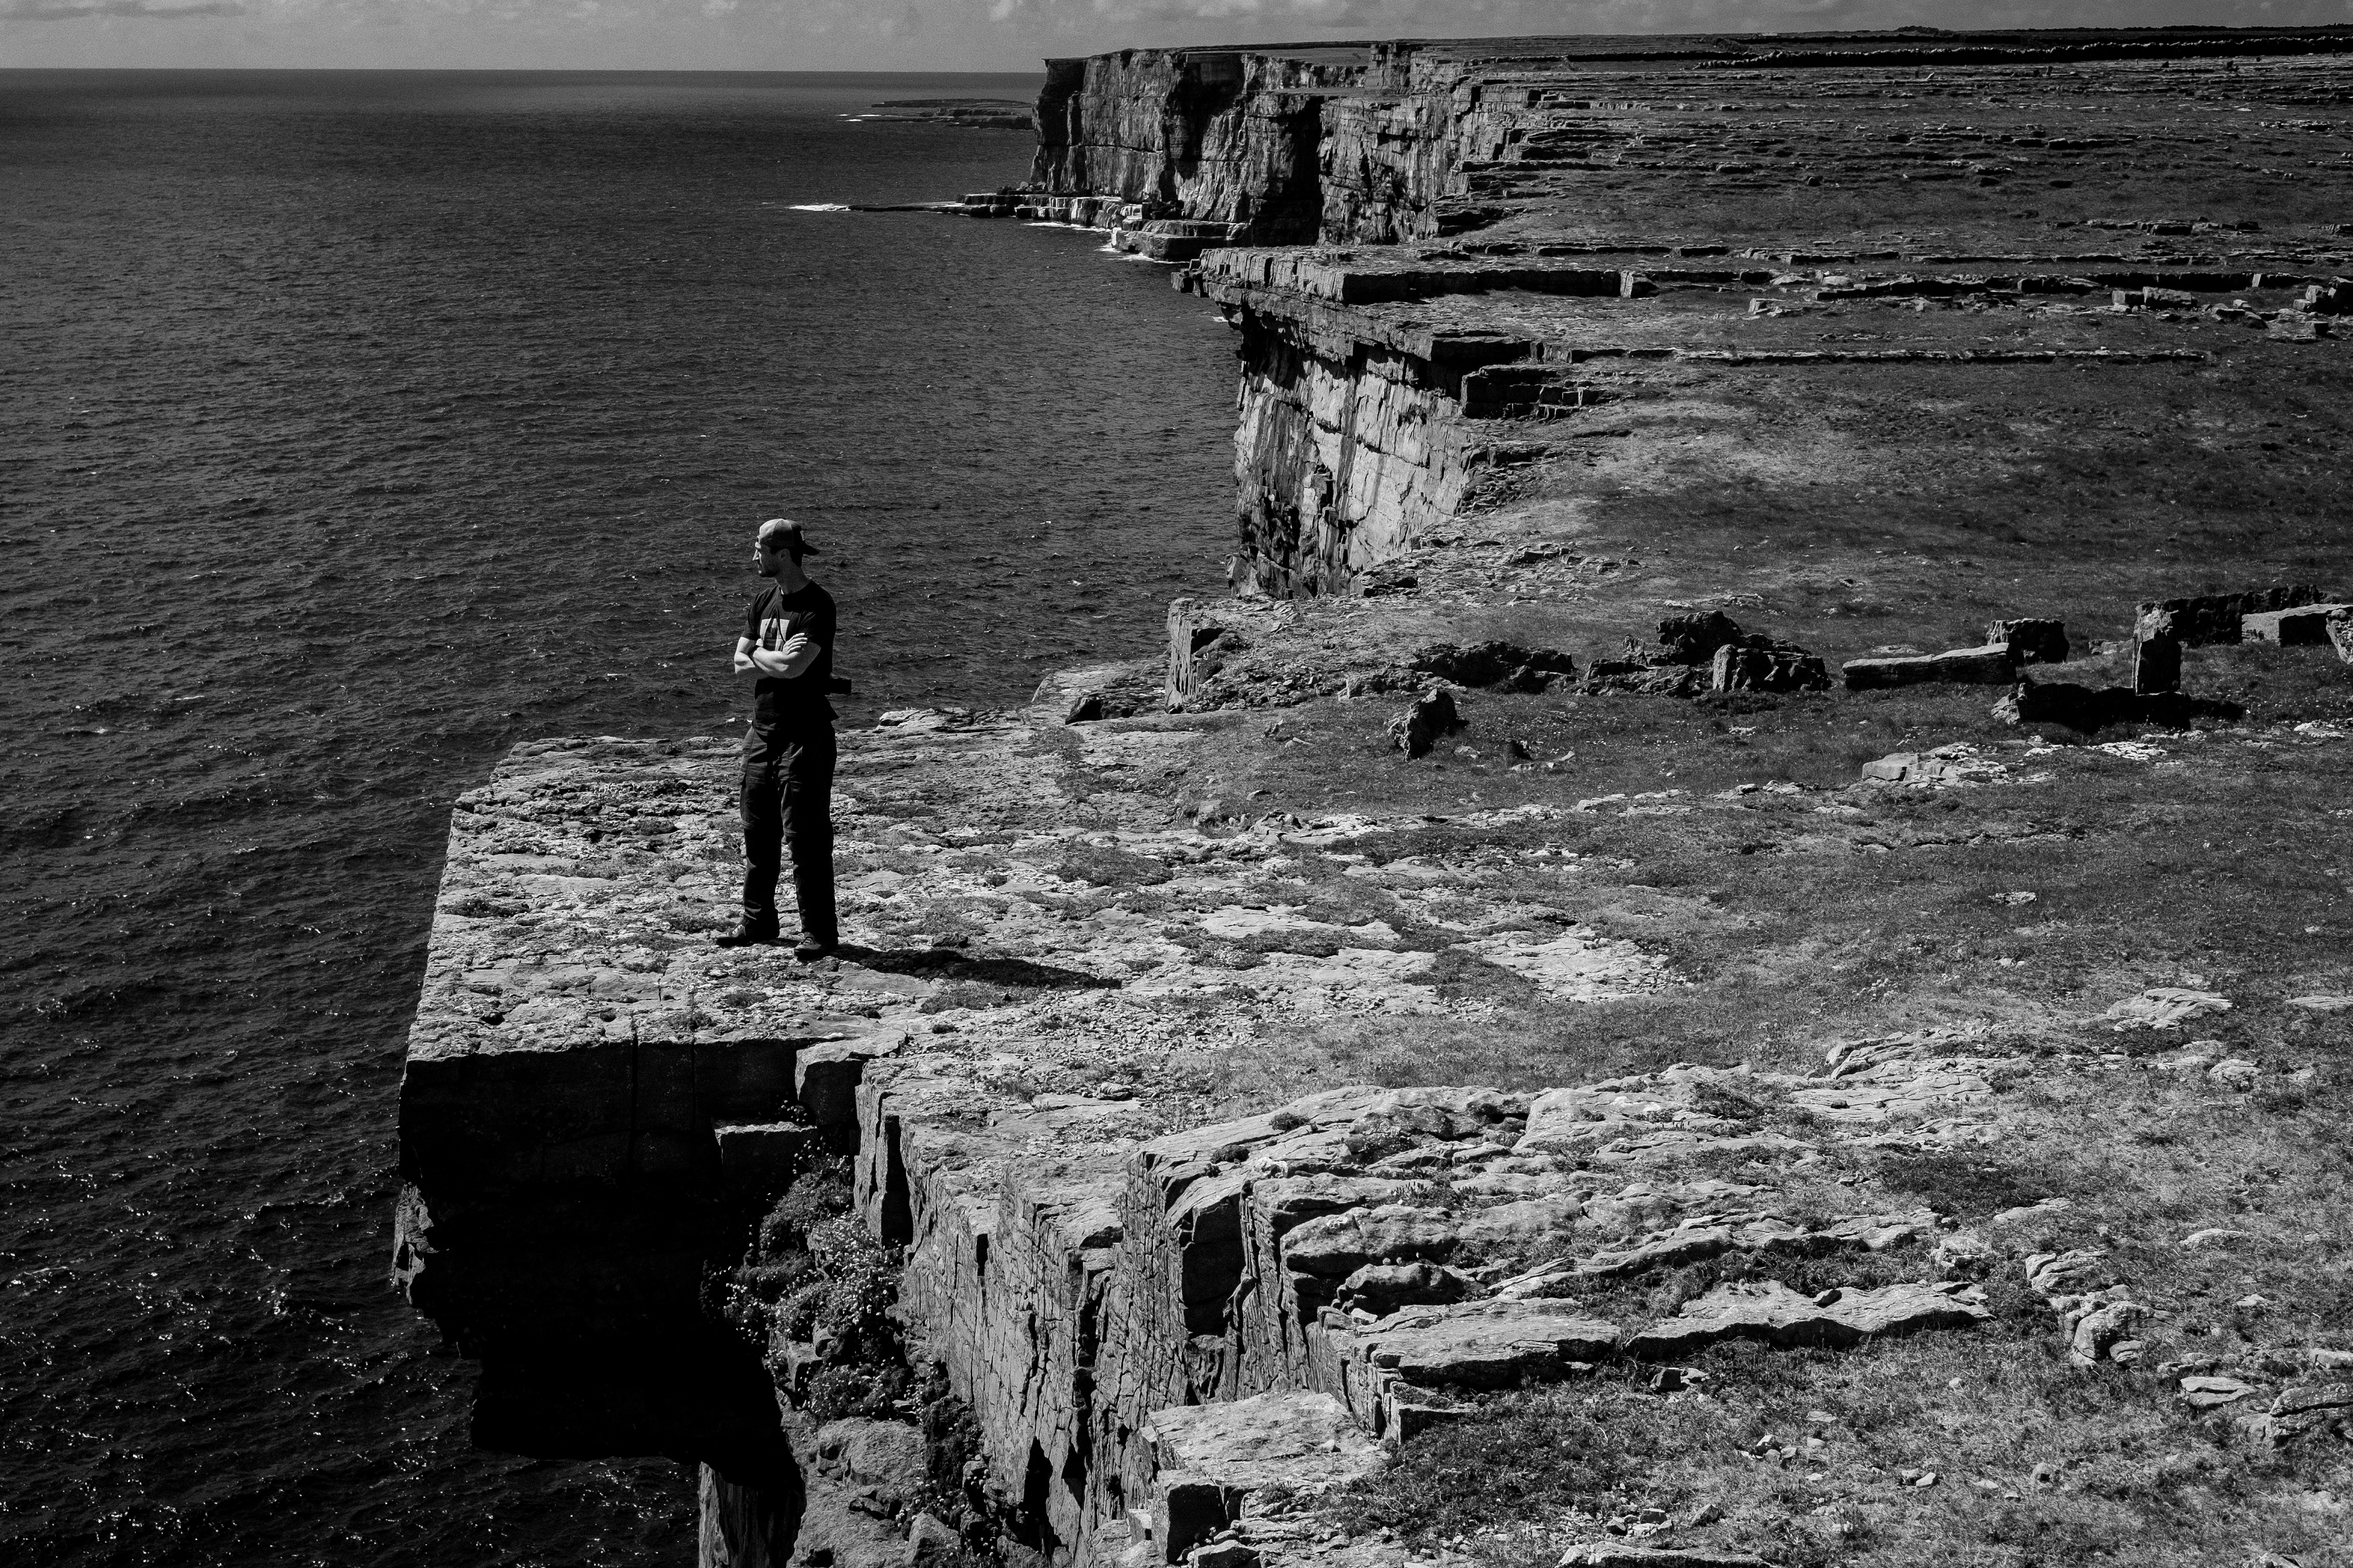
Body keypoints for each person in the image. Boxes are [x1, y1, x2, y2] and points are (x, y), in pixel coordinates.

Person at [720, 517, 838, 957]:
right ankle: (757, 922)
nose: (754, 555)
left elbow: (796, 667)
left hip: (804, 737)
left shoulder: (817, 606)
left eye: (760, 548)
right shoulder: (763, 600)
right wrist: (773, 659)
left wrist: (760, 658)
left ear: (782, 554)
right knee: (757, 833)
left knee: (805, 838)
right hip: (762, 734)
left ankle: (820, 935)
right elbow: (738, 662)